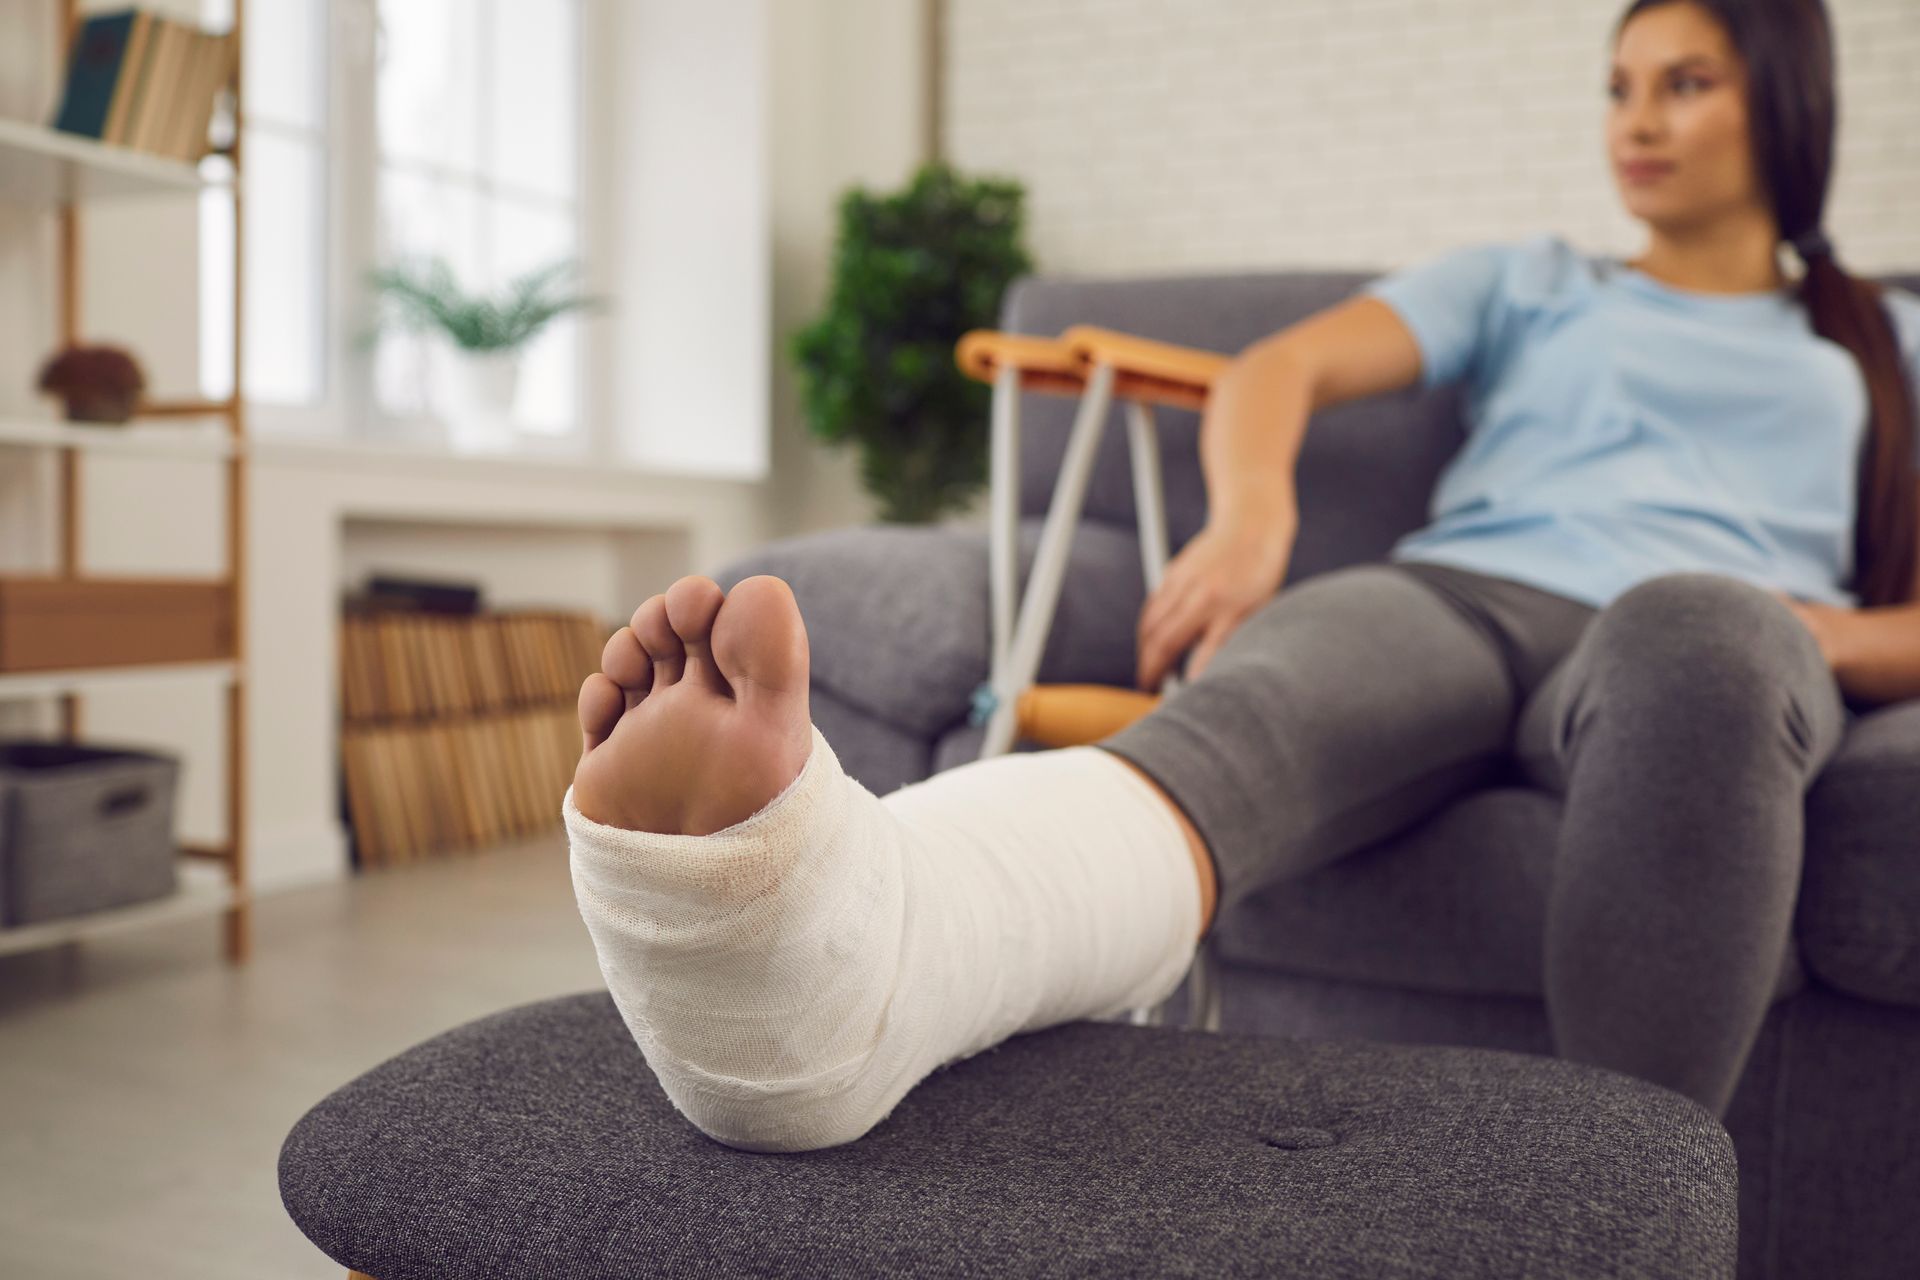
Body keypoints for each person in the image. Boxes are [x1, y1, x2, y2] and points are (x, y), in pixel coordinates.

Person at [563, 0, 1920, 1154]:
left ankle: (1608, 1213)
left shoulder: (1885, 337)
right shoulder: (1537, 280)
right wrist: (1255, 514)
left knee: (1696, 639)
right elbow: (1285, 368)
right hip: (1462, 596)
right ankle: (831, 966)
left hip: (1708, 628)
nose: (1637, 121)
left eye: (1687, 86)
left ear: (1786, 103)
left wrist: (1832, 640)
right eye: (1620, 86)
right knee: (1256, 715)